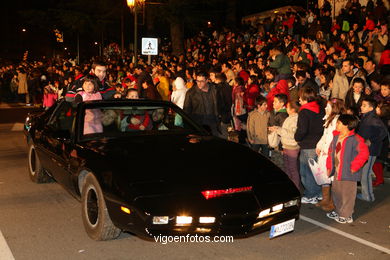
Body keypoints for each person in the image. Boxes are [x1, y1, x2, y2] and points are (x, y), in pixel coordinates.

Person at [326, 114, 369, 224]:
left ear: (347, 125)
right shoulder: (336, 136)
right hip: (337, 171)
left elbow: (364, 154)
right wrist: (328, 166)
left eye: (339, 123)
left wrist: (354, 167)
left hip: (349, 173)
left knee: (347, 195)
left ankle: (346, 215)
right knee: (336, 192)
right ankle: (338, 210)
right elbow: (331, 152)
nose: (336, 124)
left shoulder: (356, 139)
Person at [295, 87, 325, 204]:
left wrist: (297, 138)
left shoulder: (304, 111)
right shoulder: (320, 109)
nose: (299, 100)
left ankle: (311, 194)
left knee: (306, 172)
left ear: (306, 99)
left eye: (301, 97)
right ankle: (318, 193)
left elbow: (302, 130)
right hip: (318, 144)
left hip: (308, 145)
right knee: (315, 171)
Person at [315, 98, 346, 211]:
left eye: (327, 107)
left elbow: (335, 139)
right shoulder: (329, 119)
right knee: (324, 176)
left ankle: (333, 202)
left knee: (332, 177)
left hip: (331, 153)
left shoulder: (338, 121)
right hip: (325, 153)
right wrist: (319, 146)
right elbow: (325, 135)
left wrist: (327, 150)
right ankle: (325, 199)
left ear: (334, 108)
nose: (325, 108)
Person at [356, 97, 388, 202]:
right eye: (362, 105)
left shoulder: (373, 118)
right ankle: (366, 194)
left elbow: (383, 132)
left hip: (371, 150)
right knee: (364, 173)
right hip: (365, 149)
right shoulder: (366, 117)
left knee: (366, 173)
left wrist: (372, 140)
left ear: (371, 108)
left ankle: (368, 196)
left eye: (364, 105)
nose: (361, 106)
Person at [269, 101, 300, 189]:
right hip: (286, 145)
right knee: (287, 167)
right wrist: (277, 128)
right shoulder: (289, 117)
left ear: (293, 109)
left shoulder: (295, 119)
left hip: (292, 147)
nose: (286, 108)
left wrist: (278, 130)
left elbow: (292, 134)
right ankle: (289, 186)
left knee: (293, 169)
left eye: (288, 107)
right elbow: (285, 130)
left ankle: (295, 188)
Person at [183, 71, 220, 136]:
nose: (199, 83)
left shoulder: (215, 89)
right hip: (199, 125)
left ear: (207, 80)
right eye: (197, 81)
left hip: (213, 123)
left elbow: (219, 104)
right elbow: (186, 112)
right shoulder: (191, 93)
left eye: (202, 81)